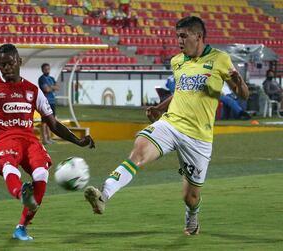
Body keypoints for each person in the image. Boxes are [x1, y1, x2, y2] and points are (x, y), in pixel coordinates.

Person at [84, 16, 249, 235]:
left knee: (190, 197)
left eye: (183, 36)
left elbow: (243, 95)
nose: (179, 41)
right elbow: (181, 91)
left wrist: (239, 84)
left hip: (198, 137)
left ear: (198, 36)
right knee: (139, 150)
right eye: (177, 36)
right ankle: (104, 195)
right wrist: (160, 108)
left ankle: (192, 215)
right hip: (171, 124)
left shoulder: (220, 59)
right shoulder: (177, 61)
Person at [0, 44, 95, 241]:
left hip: (30, 141)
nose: (6, 68)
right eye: (2, 65)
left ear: (19, 61)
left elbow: (52, 124)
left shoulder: (33, 90)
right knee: (10, 169)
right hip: (4, 140)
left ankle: (21, 227)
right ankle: (21, 193)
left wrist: (77, 141)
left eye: (9, 63)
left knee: (42, 174)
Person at [38, 63, 60, 145]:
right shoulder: (42, 79)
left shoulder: (52, 78)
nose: (47, 70)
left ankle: (49, 138)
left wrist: (51, 87)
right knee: (44, 121)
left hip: (52, 101)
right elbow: (46, 89)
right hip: (45, 102)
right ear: (42, 70)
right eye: (45, 69)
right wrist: (52, 87)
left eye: (48, 69)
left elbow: (58, 87)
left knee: (50, 121)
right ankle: (44, 138)